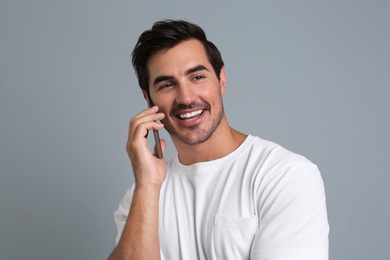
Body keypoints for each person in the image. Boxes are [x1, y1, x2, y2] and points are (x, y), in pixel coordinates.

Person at [109, 20, 329, 260]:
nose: (186, 97)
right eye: (167, 84)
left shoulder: (284, 175)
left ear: (221, 80)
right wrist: (148, 186)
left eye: (197, 77)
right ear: (148, 99)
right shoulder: (140, 197)